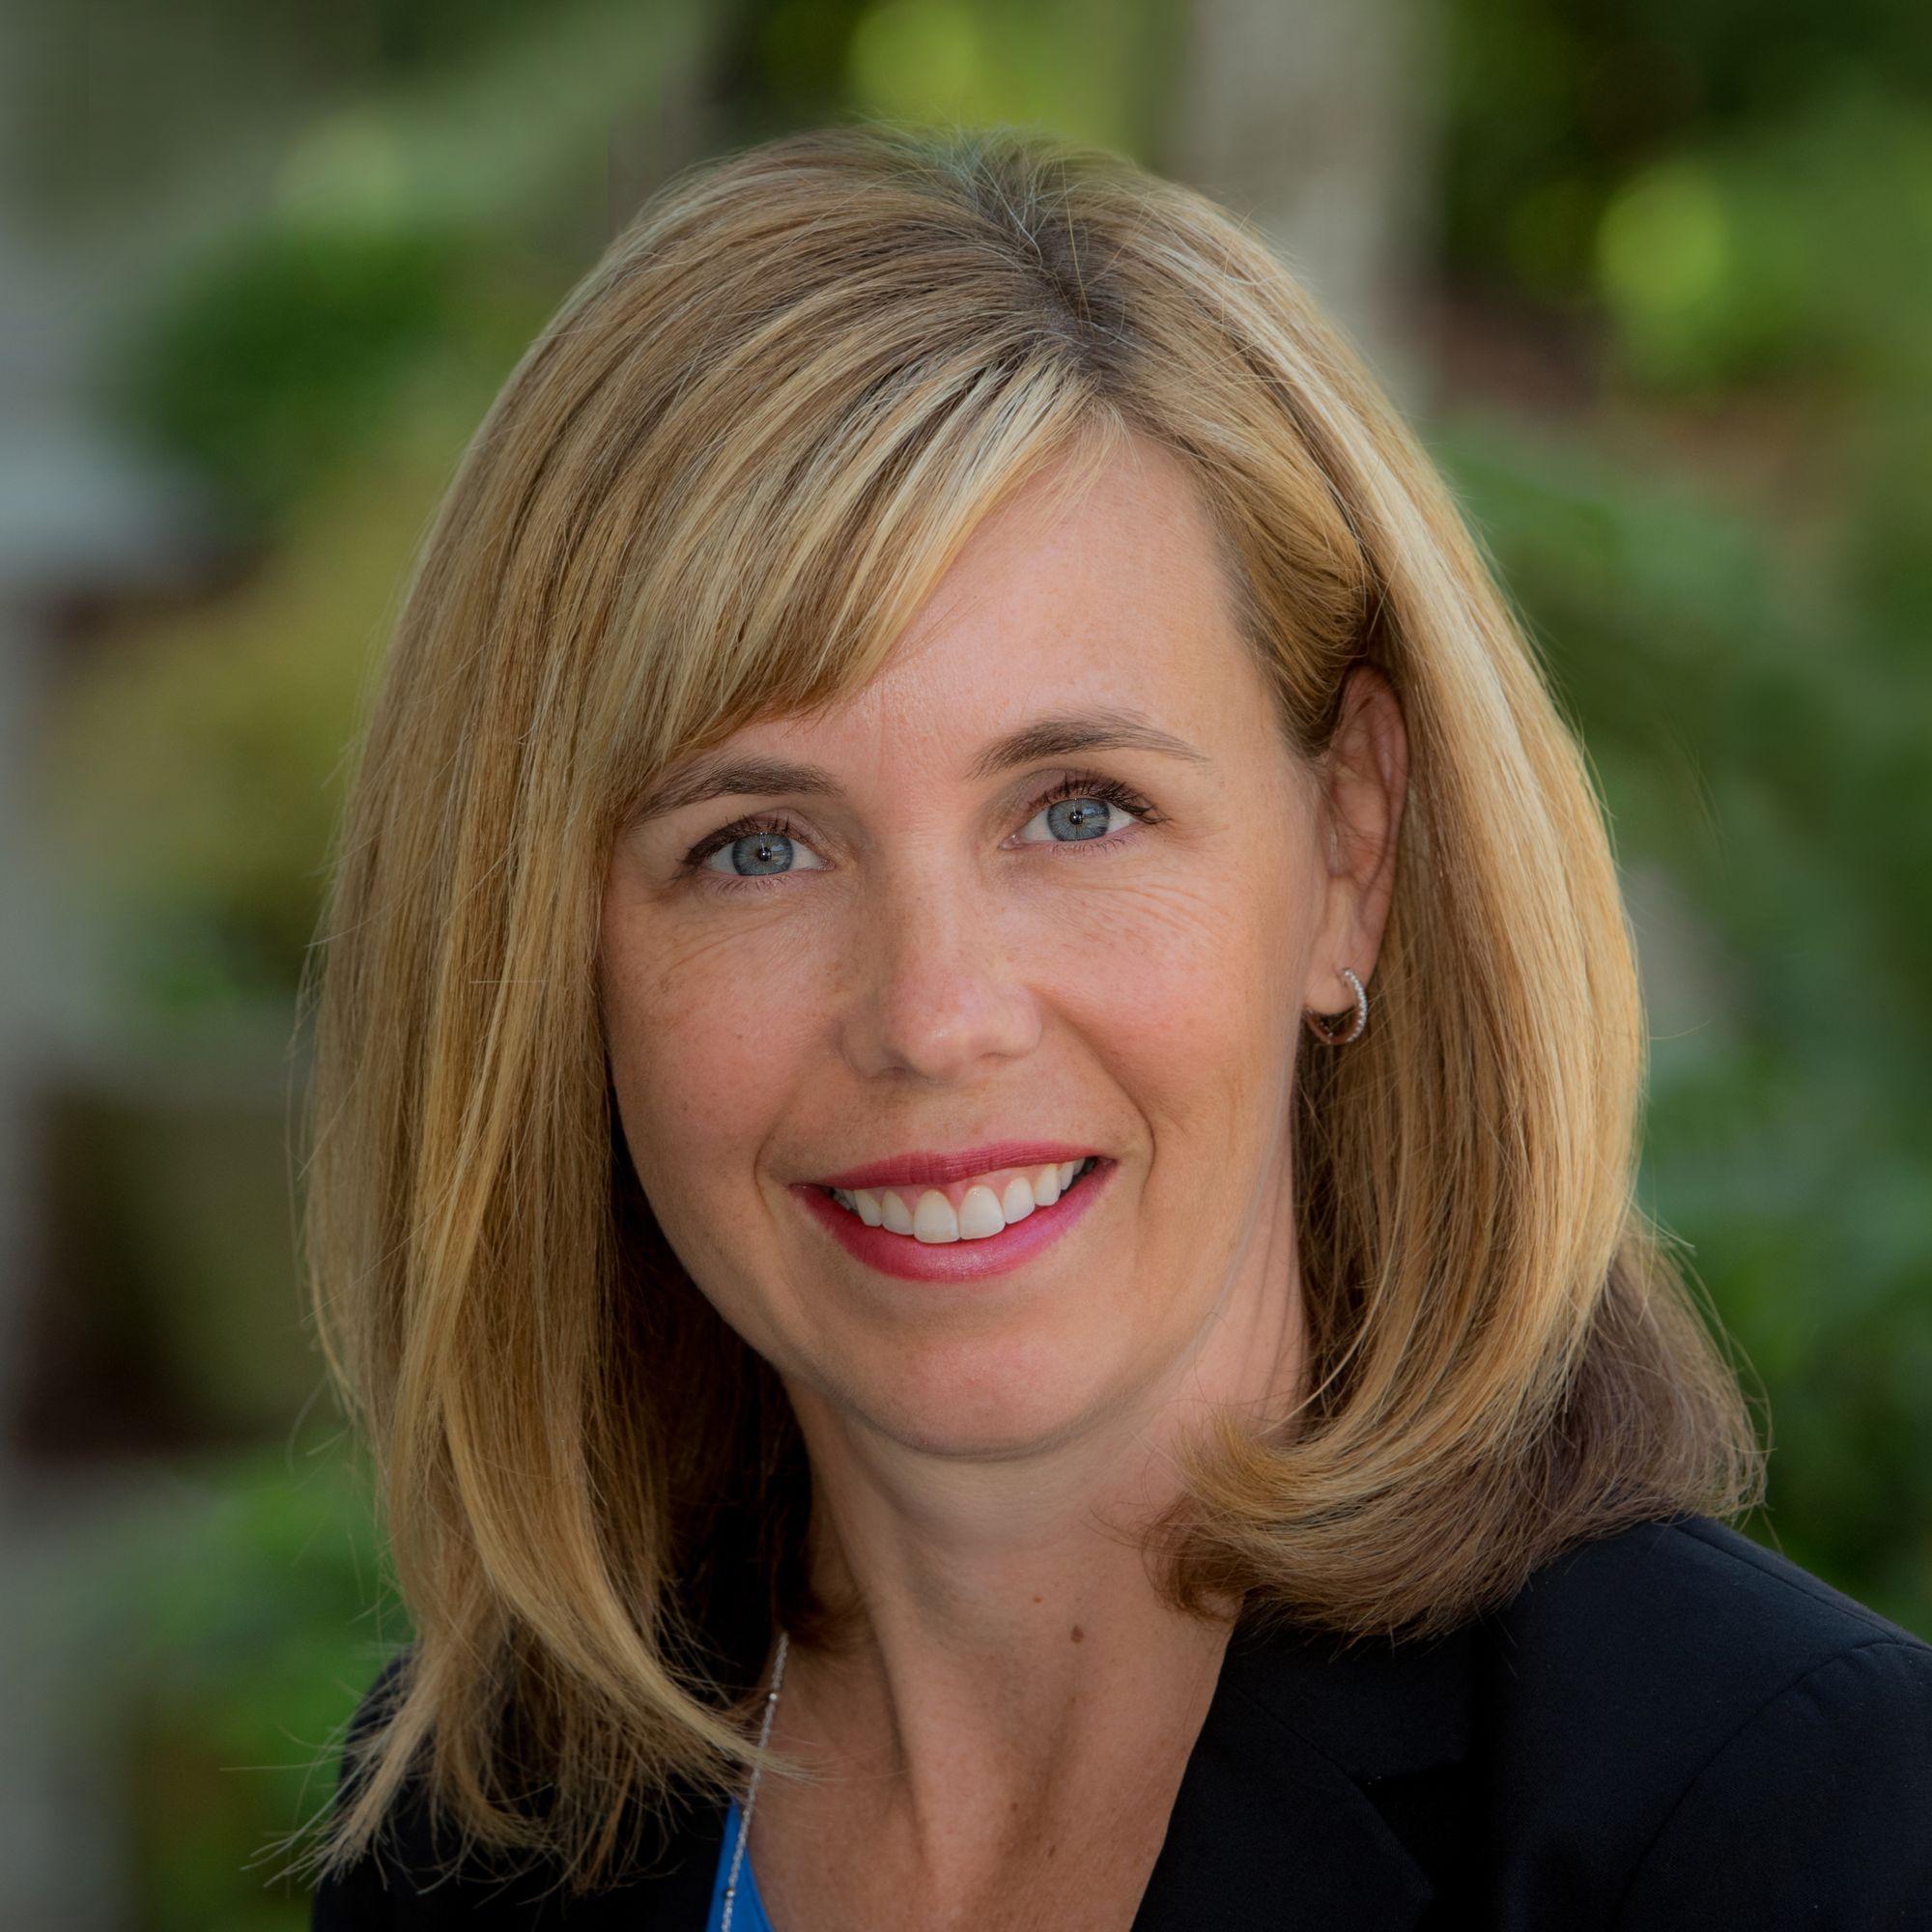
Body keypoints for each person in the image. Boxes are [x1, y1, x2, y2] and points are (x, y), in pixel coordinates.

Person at [296, 124, 1932, 1930]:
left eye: (1077, 807)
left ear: (1350, 847)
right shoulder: (475, 1845)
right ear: (547, 959)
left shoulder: (1786, 1830)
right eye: (754, 845)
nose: (932, 1015)